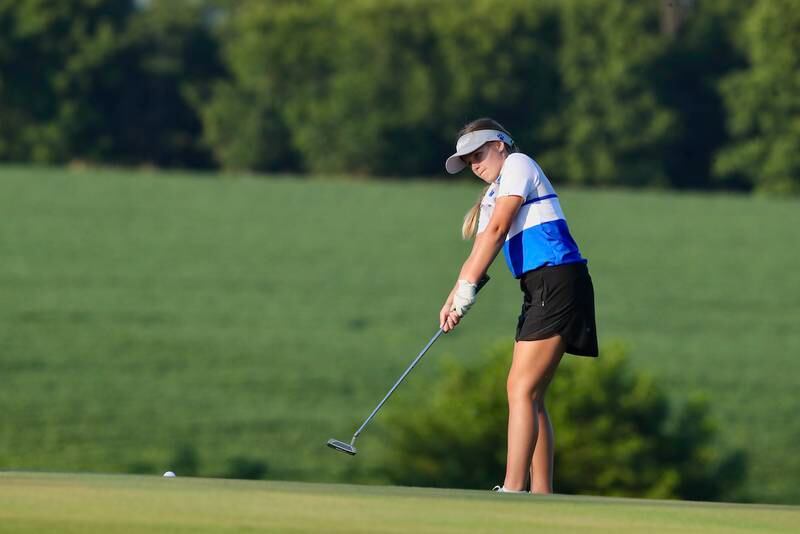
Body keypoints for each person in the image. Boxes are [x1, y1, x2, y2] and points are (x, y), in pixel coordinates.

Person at [439, 117, 598, 494]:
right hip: (540, 286)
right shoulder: (494, 192)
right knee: (531, 394)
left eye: (478, 154)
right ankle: (540, 496)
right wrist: (455, 299)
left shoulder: (518, 164)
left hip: (557, 277)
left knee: (520, 389)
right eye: (468, 162)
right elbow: (481, 249)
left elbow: (497, 231)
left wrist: (466, 291)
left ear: (499, 143)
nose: (475, 165)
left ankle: (513, 490)